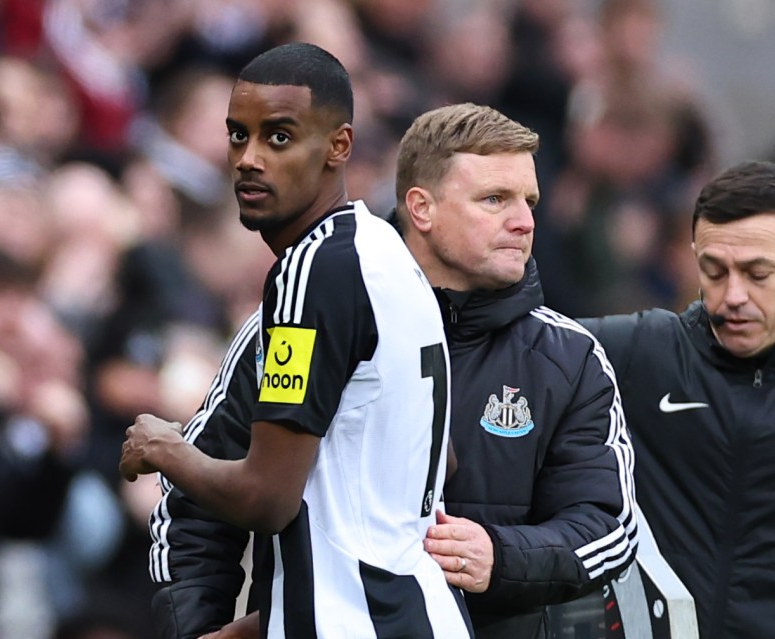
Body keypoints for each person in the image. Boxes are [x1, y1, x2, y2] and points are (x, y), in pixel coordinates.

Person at [118, 42, 473, 639]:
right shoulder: (384, 251)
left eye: (278, 137)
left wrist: (166, 448)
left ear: (339, 146)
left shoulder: (312, 270)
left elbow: (267, 498)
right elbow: (430, 464)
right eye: (238, 137)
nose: (249, 159)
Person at [578, 160, 775, 638]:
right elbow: (508, 347)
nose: (732, 295)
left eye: (757, 274)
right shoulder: (632, 354)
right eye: (714, 270)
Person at [399, 103, 637, 638]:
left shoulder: (570, 358)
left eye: (529, 200)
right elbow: (198, 498)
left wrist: (499, 555)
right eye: (494, 199)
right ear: (422, 208)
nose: (525, 220)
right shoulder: (323, 325)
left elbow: (608, 530)